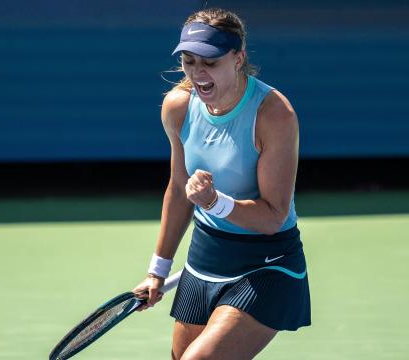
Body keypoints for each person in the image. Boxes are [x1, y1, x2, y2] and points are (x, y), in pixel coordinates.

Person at [133, 7, 311, 360]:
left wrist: (215, 203)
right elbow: (178, 188)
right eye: (188, 61)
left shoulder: (274, 115)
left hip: (268, 263)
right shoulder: (178, 107)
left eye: (210, 63)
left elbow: (273, 216)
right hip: (205, 259)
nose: (197, 73)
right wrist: (158, 270)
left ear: (238, 58)